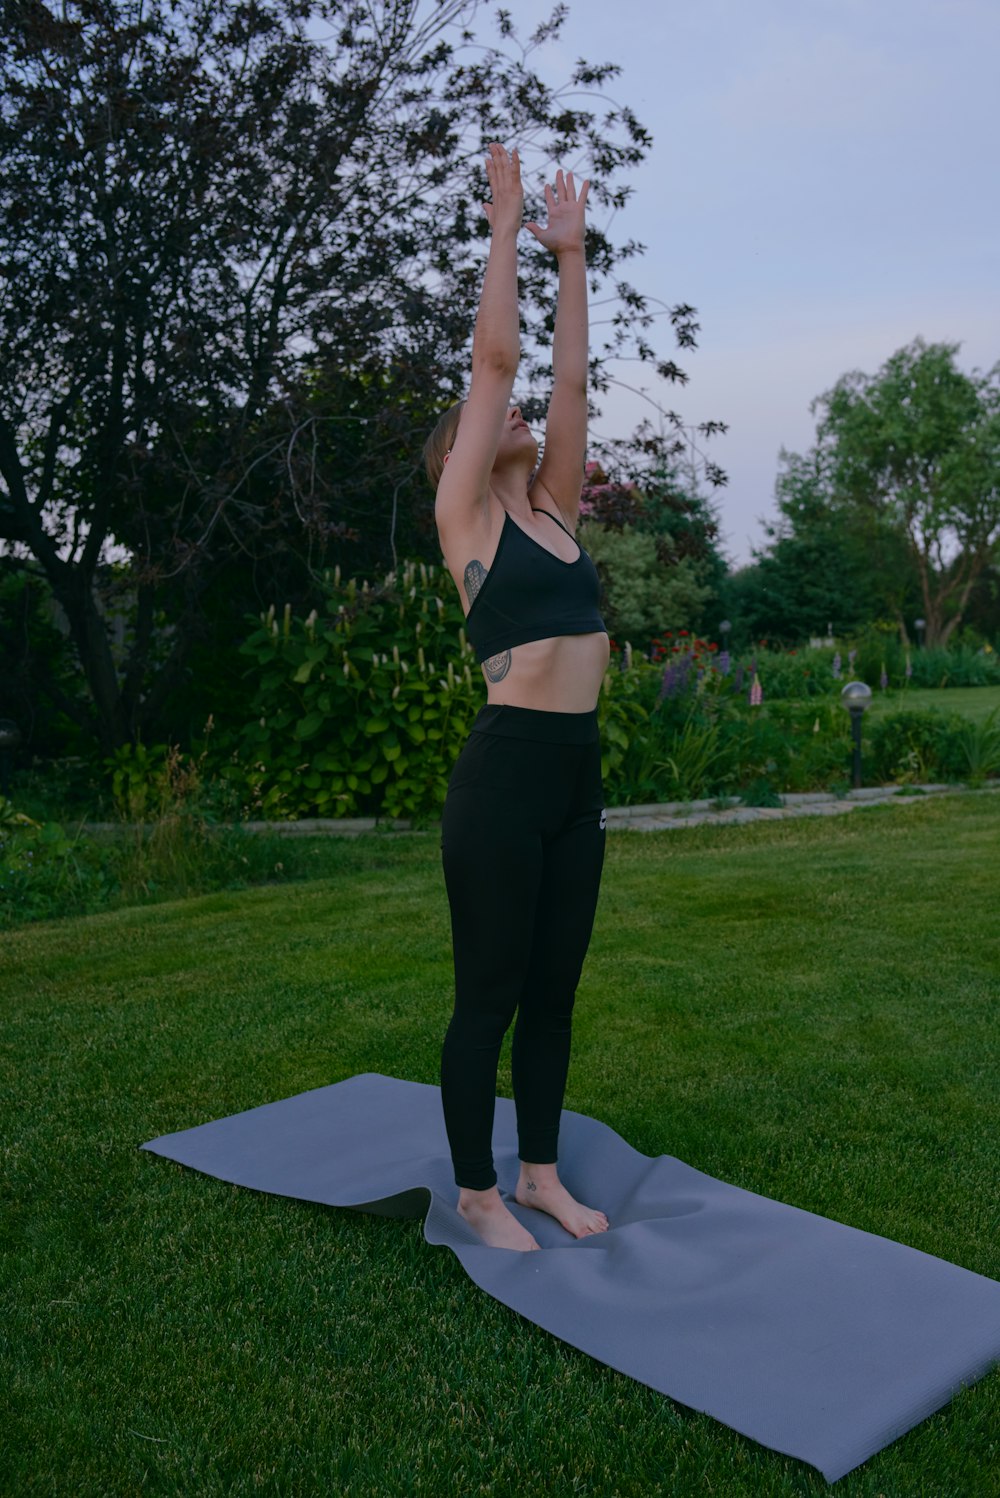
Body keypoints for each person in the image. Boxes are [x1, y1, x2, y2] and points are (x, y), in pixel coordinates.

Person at [425, 143, 611, 1252]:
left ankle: (537, 1173)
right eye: (487, 415)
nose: (514, 413)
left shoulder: (550, 510)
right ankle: (478, 1193)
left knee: (553, 992)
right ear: (460, 452)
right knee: (486, 993)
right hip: (500, 781)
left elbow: (566, 382)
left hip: (572, 775)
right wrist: (503, 232)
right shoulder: (471, 522)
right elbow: (496, 364)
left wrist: (573, 258)